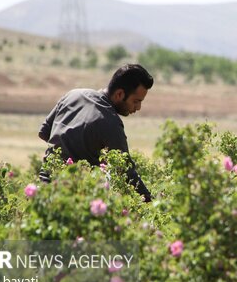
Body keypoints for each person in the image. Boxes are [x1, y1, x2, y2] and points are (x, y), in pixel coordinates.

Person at [38, 63, 153, 202]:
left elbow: (44, 133)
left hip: (43, 190)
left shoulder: (73, 95)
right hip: (71, 198)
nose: (138, 107)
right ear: (119, 94)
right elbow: (126, 172)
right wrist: (150, 203)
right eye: (136, 101)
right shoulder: (110, 122)